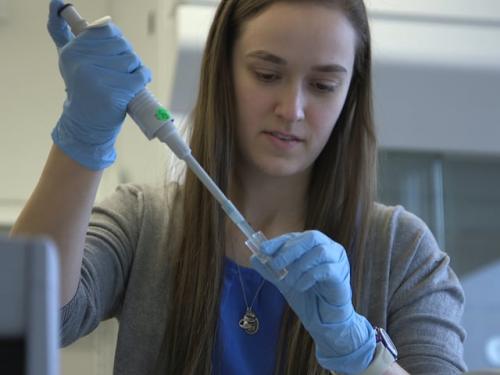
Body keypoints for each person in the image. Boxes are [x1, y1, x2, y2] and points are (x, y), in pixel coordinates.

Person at [11, 0, 467, 374]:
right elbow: (25, 320)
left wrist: (359, 353)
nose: (292, 109)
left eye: (324, 85)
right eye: (267, 75)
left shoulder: (404, 254)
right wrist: (83, 138)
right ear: (222, 71)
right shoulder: (143, 221)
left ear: (351, 93)